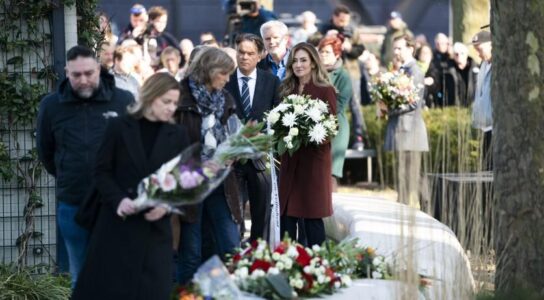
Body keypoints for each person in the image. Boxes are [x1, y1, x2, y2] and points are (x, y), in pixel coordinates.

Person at [72, 73, 189, 300]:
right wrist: (119, 200)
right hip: (117, 227)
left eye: (175, 103)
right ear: (150, 97)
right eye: (166, 102)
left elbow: (184, 181)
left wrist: (166, 205)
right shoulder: (118, 126)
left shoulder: (178, 134)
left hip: (155, 232)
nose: (171, 108)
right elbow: (101, 171)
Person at [36, 45, 134, 287]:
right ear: (67, 73)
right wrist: (69, 173)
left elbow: (134, 150)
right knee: (81, 277)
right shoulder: (51, 106)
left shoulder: (123, 101)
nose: (83, 80)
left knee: (115, 275)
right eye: (76, 75)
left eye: (89, 73)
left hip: (113, 204)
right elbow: (46, 152)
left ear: (99, 69)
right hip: (73, 203)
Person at [175, 47, 242, 284]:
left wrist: (236, 150)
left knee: (231, 246)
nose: (228, 78)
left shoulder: (225, 99)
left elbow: (234, 134)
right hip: (190, 183)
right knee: (190, 253)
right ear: (210, 70)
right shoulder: (179, 97)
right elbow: (171, 144)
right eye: (224, 73)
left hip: (221, 184)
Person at [278, 43, 337, 247]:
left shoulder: (325, 89)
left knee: (312, 217)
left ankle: (318, 266)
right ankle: (286, 264)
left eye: (303, 60)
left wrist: (307, 133)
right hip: (290, 160)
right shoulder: (287, 89)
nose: (298, 64)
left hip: (314, 162)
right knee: (287, 217)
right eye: (295, 60)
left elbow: (331, 128)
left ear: (313, 63)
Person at [225, 33, 280, 242]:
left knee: (261, 215)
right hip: (233, 160)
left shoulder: (271, 81)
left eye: (250, 53)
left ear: (260, 55)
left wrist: (263, 134)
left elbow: (278, 116)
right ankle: (233, 256)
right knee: (233, 215)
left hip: (260, 160)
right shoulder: (226, 81)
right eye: (241, 52)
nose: (244, 57)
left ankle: (259, 259)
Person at [381, 35, 429, 209]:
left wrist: (390, 109)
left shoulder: (414, 71)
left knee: (412, 174)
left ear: (410, 49)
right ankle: (407, 207)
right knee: (407, 173)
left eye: (399, 48)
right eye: (394, 48)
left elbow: (414, 103)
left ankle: (422, 209)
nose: (396, 51)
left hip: (410, 129)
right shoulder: (400, 69)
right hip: (403, 128)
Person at [320, 5, 367, 151]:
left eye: (346, 20)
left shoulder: (352, 30)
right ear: (334, 17)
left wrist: (350, 48)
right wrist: (326, 36)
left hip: (351, 71)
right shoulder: (324, 27)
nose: (344, 23)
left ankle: (359, 137)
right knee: (328, 104)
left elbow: (361, 49)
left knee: (355, 105)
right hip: (329, 72)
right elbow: (313, 42)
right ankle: (325, 135)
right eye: (341, 20)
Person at [318, 36, 352, 191]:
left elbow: (339, 104)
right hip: (315, 126)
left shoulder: (343, 75)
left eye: (327, 52)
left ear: (337, 55)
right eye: (321, 51)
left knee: (330, 173)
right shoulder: (313, 72)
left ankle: (330, 212)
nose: (323, 55)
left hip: (336, 127)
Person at [471, 30, 493, 171]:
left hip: (495, 128)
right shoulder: (483, 65)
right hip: (485, 126)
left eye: (480, 49)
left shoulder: (501, 66)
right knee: (485, 168)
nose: (478, 54)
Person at [424, 33, 456, 107]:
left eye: (444, 43)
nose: (440, 45)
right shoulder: (433, 57)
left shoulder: (452, 57)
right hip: (438, 93)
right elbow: (432, 73)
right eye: (438, 43)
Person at [451, 42, 478, 107]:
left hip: (472, 106)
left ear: (466, 54)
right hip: (454, 108)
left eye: (462, 53)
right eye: (456, 54)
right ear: (453, 55)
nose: (459, 56)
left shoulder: (476, 69)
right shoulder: (448, 70)